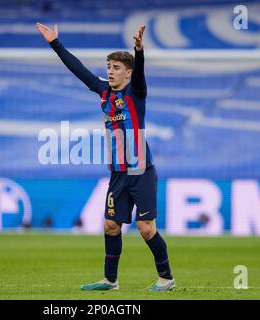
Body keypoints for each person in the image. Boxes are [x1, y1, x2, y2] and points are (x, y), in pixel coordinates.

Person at [36, 23, 174, 291]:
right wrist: (55, 44)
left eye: (117, 68)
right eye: (109, 67)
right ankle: (110, 281)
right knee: (111, 225)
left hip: (141, 171)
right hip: (117, 172)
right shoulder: (103, 91)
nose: (110, 71)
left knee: (146, 228)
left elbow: (142, 74)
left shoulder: (136, 93)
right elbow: (79, 71)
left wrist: (139, 50)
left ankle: (166, 278)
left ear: (129, 73)